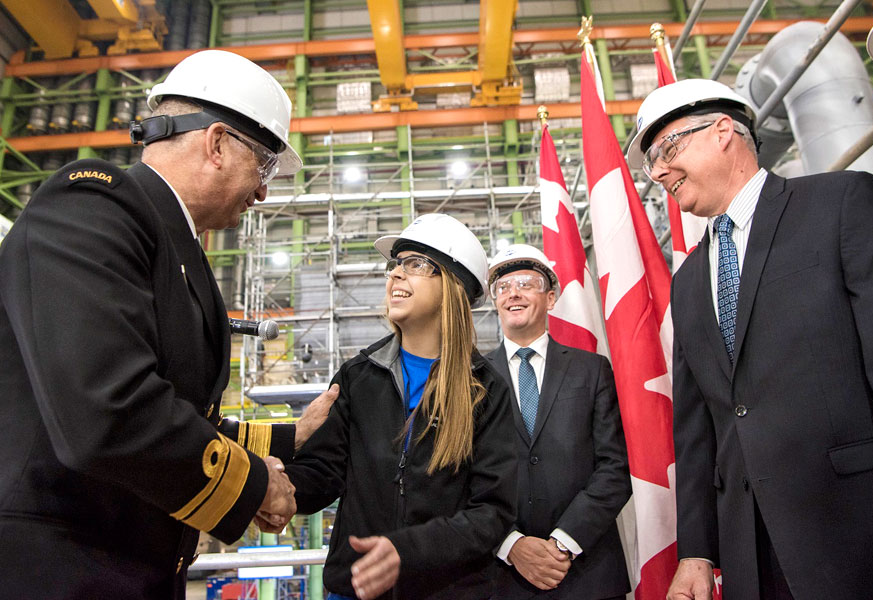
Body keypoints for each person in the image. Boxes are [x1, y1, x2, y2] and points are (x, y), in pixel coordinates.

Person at [0, 49, 336, 599]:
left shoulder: (173, 248)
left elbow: (180, 413)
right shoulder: (91, 204)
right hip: (55, 571)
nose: (263, 191)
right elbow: (109, 409)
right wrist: (251, 488)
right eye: (265, 165)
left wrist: (289, 436)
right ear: (218, 143)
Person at [625, 78, 873, 600]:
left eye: (666, 149)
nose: (657, 172)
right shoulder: (686, 281)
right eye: (650, 164)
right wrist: (697, 552)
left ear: (723, 131)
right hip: (749, 556)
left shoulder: (840, 205)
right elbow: (698, 426)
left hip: (856, 542)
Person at [286, 213, 518, 600]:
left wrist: (407, 551)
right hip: (355, 589)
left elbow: (492, 513)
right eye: (395, 265)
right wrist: (276, 488)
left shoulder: (485, 388)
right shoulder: (358, 376)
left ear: (454, 285)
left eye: (415, 264)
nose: (395, 275)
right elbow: (323, 473)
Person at [484, 244, 631, 600]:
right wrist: (512, 545)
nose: (513, 292)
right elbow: (459, 476)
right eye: (502, 287)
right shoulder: (471, 378)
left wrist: (563, 543)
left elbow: (615, 467)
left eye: (525, 283)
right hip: (503, 577)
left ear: (551, 298)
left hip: (588, 572)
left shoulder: (591, 370)